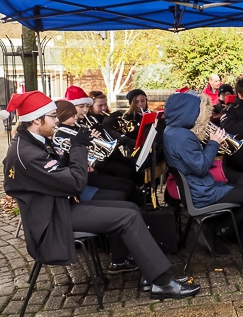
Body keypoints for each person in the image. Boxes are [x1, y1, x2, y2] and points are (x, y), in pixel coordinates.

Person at [1, 91, 199, 299]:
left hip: (59, 208)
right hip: (52, 220)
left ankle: (152, 273)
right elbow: (75, 184)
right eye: (52, 116)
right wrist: (78, 148)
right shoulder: (28, 153)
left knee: (130, 208)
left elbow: (57, 175)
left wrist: (71, 158)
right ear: (36, 119)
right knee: (128, 216)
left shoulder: (33, 141)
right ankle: (161, 282)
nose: (56, 121)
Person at [163, 91, 243, 255]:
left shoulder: (172, 130)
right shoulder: (183, 137)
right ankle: (220, 229)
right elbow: (201, 167)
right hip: (201, 192)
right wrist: (214, 143)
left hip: (195, 186)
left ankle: (221, 226)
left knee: (242, 185)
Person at [54, 100, 135, 202]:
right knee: (124, 188)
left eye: (75, 114)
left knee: (128, 183)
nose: (76, 117)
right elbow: (69, 161)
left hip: (90, 172)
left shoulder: (77, 127)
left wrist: (95, 140)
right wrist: (85, 144)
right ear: (62, 117)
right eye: (71, 116)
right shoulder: (62, 134)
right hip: (84, 178)